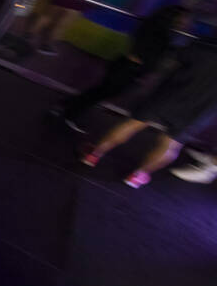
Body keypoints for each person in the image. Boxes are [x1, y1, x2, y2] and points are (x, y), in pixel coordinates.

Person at [83, 36, 217, 188]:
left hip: (170, 94)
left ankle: (94, 154)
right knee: (172, 144)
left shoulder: (203, 46)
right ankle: (138, 175)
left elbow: (173, 59)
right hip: (200, 111)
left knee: (132, 124)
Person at [54, 5, 189, 134]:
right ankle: (70, 115)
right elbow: (146, 52)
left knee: (98, 91)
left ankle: (66, 106)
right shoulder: (159, 33)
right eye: (183, 19)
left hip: (126, 65)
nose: (185, 23)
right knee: (99, 94)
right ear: (173, 18)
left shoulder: (153, 27)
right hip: (130, 69)